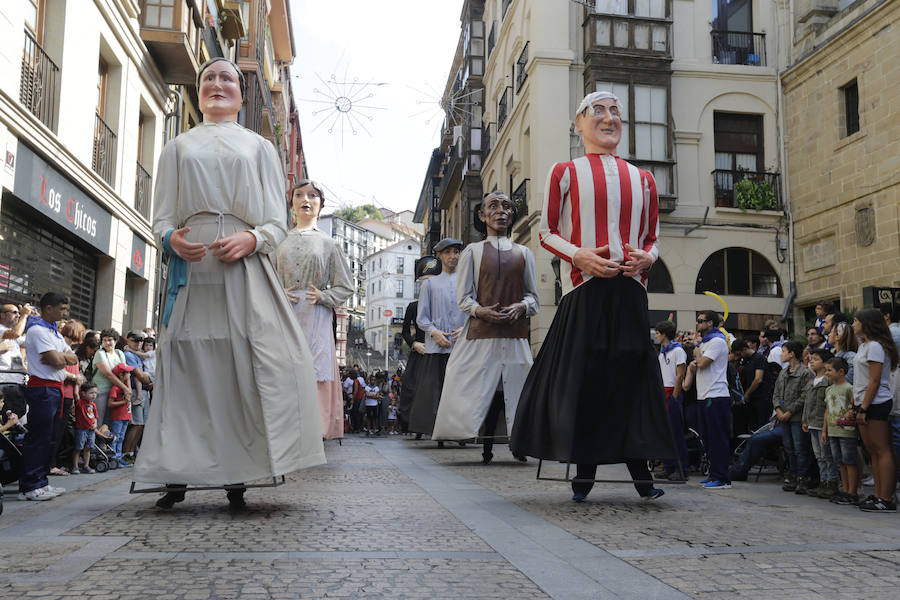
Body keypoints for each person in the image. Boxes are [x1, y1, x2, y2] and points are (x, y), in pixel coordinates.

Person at [134, 57, 324, 510]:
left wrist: (252, 237)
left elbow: (277, 223)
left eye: (226, 78)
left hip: (242, 267)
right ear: (199, 92)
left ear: (240, 93)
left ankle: (239, 473)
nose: (217, 84)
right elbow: (161, 215)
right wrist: (169, 238)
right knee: (186, 366)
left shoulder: (259, 147)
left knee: (243, 364)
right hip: (194, 268)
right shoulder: (177, 146)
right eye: (208, 78)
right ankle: (175, 473)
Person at [510, 91, 672, 502]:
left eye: (615, 111)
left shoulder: (645, 179)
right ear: (579, 123)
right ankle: (584, 476)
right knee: (585, 379)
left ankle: (642, 476)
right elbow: (546, 231)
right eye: (598, 111)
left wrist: (646, 259)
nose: (609, 118)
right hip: (584, 291)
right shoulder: (564, 172)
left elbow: (653, 237)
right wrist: (580, 255)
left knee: (633, 380)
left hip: (631, 293)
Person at [431, 192, 539, 464]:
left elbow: (534, 298)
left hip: (514, 338)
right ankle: (477, 440)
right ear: (482, 216)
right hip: (480, 337)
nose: (501, 211)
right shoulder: (472, 252)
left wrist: (522, 307)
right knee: (479, 390)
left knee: (518, 392)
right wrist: (480, 311)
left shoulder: (525, 253)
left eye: (506, 206)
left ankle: (520, 442)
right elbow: (463, 298)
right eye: (493, 206)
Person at [275, 179, 353, 441]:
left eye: (313, 196)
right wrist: (278, 292)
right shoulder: (278, 241)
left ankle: (315, 428)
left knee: (316, 370)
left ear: (320, 205)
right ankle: (282, 426)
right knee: (282, 366)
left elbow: (346, 286)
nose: (305, 200)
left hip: (316, 312)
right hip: (283, 312)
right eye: (299, 195)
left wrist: (323, 295)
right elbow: (265, 278)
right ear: (292, 203)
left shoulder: (330, 244)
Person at [18, 293, 77, 501]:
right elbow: (54, 359)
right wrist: (60, 358)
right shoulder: (36, 330)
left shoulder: (56, 333)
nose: (64, 313)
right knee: (39, 437)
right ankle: (30, 485)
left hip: (55, 388)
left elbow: (72, 357)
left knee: (50, 438)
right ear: (48, 308)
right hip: (42, 388)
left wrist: (61, 358)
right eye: (61, 308)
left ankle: (41, 481)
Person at [408, 238, 468, 443]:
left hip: (461, 347)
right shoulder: (430, 284)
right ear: (440, 256)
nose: (453, 256)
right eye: (448, 252)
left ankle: (461, 432)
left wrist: (466, 329)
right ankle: (437, 431)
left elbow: (473, 310)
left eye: (456, 252)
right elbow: (422, 318)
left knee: (460, 392)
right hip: (436, 347)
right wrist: (434, 333)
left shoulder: (466, 283)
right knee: (436, 392)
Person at [849, 308, 899, 512]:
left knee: (882, 449)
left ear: (866, 323)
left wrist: (864, 408)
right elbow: (860, 380)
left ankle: (886, 497)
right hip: (864, 400)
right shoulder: (864, 346)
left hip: (876, 402)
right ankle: (877, 494)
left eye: (856, 321)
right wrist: (854, 405)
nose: (853, 324)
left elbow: (875, 380)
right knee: (872, 451)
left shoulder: (876, 346)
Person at [688, 310, 733, 489]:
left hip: (716, 394)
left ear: (711, 323)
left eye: (701, 321)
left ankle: (722, 478)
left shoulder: (717, 341)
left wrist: (697, 353)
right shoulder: (705, 343)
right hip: (704, 394)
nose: (698, 323)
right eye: (697, 320)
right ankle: (714, 473)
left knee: (717, 438)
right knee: (707, 438)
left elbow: (702, 364)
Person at [398, 257, 441, 435]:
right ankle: (414, 425)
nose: (426, 285)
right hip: (420, 351)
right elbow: (405, 331)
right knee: (410, 387)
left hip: (440, 350)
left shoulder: (444, 303)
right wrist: (414, 344)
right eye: (423, 281)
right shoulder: (412, 306)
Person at [772, 341, 813, 493]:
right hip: (783, 417)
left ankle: (802, 477)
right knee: (789, 448)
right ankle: (793, 475)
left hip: (796, 417)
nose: (781, 354)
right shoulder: (783, 372)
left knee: (799, 448)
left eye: (784, 351)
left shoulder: (804, 373)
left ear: (792, 354)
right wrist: (778, 409)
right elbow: (776, 393)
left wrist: (789, 411)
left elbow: (804, 396)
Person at [654, 320, 690, 480]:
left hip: (672, 393)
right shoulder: (662, 352)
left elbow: (679, 375)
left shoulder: (677, 351)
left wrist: (675, 396)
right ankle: (668, 466)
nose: (656, 336)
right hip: (663, 392)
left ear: (664, 334)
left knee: (676, 433)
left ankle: (681, 469)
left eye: (657, 333)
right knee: (664, 433)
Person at [800, 348, 837, 499]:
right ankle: (823, 482)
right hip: (812, 423)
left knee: (827, 456)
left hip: (823, 424)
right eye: (811, 359)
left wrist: (826, 425)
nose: (811, 361)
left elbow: (829, 405)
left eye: (816, 359)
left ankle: (831, 482)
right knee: (819, 456)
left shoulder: (828, 381)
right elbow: (807, 403)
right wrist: (805, 420)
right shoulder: (811, 381)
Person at [822, 357, 858, 505]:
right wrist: (824, 430)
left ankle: (852, 492)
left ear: (841, 372)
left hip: (846, 431)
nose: (827, 373)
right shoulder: (829, 389)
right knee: (840, 462)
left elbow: (853, 407)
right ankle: (844, 489)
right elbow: (827, 410)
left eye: (829, 370)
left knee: (849, 461)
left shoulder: (849, 388)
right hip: (833, 431)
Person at [122, 332, 152, 464]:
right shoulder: (129, 355)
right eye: (136, 340)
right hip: (135, 391)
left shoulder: (137, 355)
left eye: (141, 341)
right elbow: (140, 375)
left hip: (145, 390)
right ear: (128, 341)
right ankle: (126, 453)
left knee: (142, 425)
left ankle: (131, 452)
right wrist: (149, 381)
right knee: (136, 424)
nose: (139, 343)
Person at [91, 329, 131, 426]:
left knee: (111, 423)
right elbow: (108, 374)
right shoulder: (100, 353)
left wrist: (128, 389)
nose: (107, 343)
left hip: (116, 392)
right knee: (99, 422)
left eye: (109, 340)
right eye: (104, 340)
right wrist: (125, 388)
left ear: (115, 341)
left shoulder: (119, 353)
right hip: (101, 391)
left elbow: (126, 372)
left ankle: (106, 441)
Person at [0, 303, 31, 419]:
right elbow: (16, 334)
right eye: (14, 312)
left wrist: (38, 321)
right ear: (2, 315)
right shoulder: (1, 329)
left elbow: (29, 343)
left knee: (16, 417)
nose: (18, 315)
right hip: (4, 382)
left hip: (17, 382)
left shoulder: (11, 332)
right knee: (6, 418)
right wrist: (25, 315)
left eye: (19, 313)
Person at [106, 362, 135, 468]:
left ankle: (118, 458)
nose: (130, 375)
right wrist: (124, 402)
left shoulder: (126, 388)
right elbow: (110, 403)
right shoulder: (115, 388)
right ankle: (113, 458)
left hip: (125, 417)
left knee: (121, 437)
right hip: (118, 417)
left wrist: (130, 415)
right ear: (121, 375)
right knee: (115, 437)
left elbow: (129, 403)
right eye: (127, 373)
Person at [72, 382, 100, 474]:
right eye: (91, 393)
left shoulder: (93, 405)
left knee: (88, 448)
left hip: (91, 430)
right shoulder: (80, 403)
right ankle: (75, 467)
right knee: (78, 448)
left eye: (95, 393)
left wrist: (95, 424)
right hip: (81, 429)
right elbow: (76, 394)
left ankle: (86, 466)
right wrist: (77, 382)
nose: (94, 395)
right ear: (83, 393)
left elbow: (95, 417)